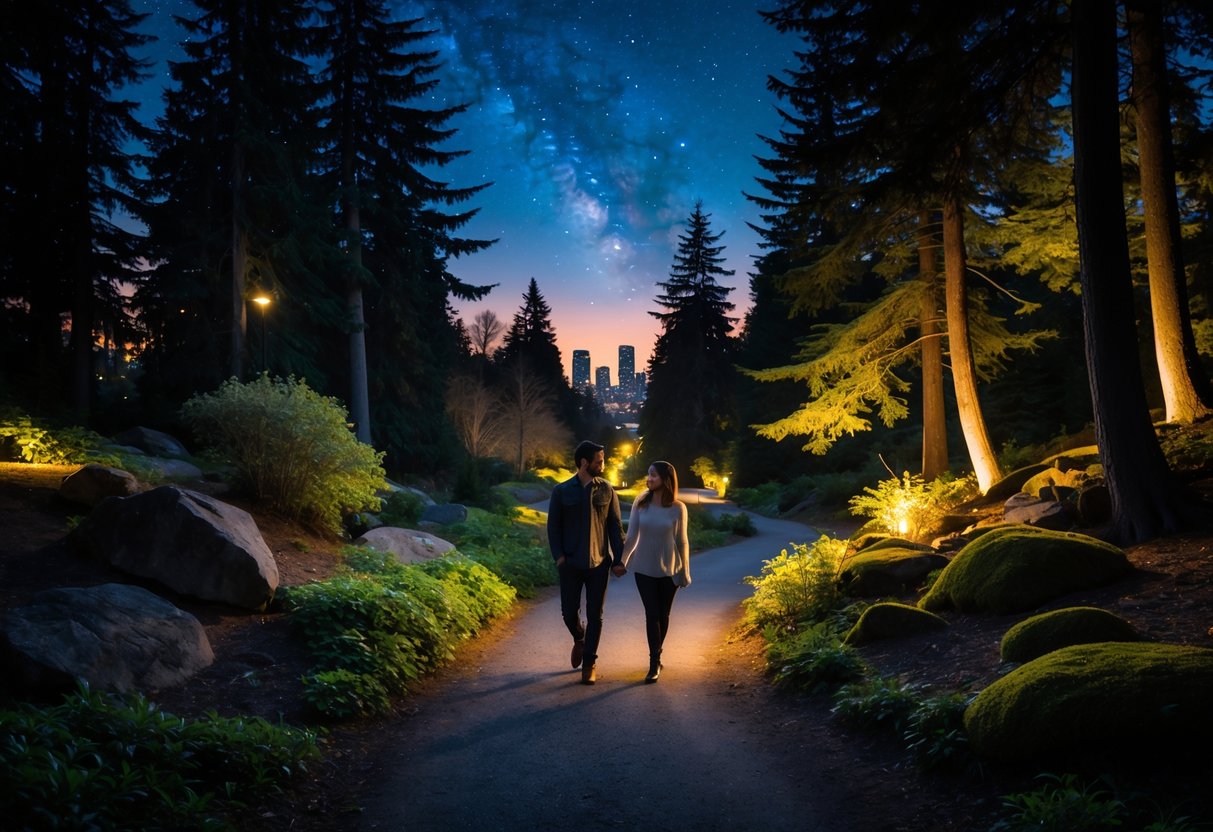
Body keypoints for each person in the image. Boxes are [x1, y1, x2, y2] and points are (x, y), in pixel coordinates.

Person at [547, 439, 625, 685]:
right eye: (599, 460)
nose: (603, 464)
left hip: (599, 564)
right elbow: (553, 527)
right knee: (569, 613)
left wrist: (619, 560)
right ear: (584, 463)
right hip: (570, 563)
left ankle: (589, 663)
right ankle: (579, 638)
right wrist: (560, 557)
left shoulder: (607, 489)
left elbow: (615, 527)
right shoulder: (561, 491)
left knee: (596, 615)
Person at [616, 460, 691, 683]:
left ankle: (657, 655)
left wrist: (685, 571)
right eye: (648, 474)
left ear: (665, 480)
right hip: (644, 568)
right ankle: (653, 663)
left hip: (670, 570)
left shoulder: (678, 508)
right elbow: (631, 537)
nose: (649, 479)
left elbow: (682, 541)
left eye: (654, 475)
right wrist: (622, 562)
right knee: (652, 614)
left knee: (663, 615)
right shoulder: (641, 502)